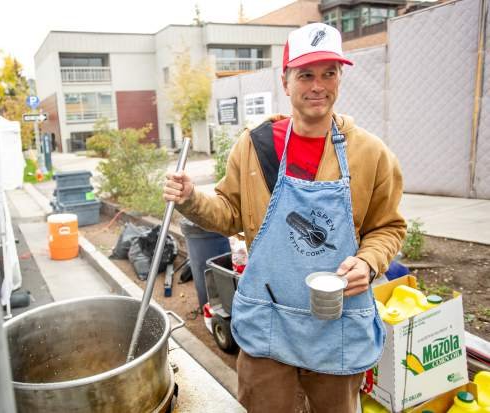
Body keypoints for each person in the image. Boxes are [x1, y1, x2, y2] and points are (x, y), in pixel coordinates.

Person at [163, 23, 406, 412]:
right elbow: (229, 214)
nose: (317, 85)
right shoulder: (257, 146)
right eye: (305, 74)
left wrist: (369, 261)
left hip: (336, 325)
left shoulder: (371, 154)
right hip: (268, 323)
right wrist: (192, 198)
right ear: (286, 80)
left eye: (329, 73)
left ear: (340, 77)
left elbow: (388, 227)